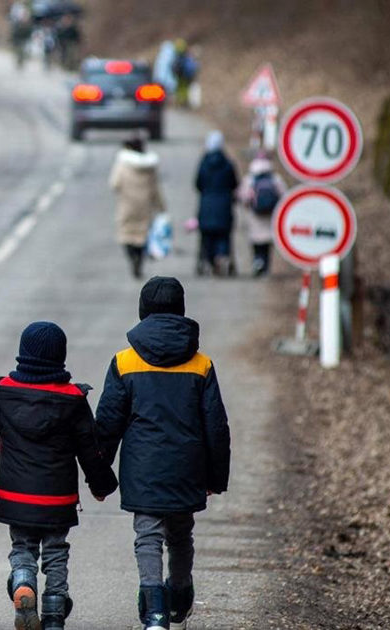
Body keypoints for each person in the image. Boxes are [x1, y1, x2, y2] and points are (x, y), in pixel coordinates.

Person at [94, 277, 231, 630]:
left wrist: (100, 475)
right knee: (181, 532)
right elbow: (216, 426)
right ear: (181, 311)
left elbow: (108, 422)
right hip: (188, 467)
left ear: (142, 311)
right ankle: (181, 595)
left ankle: (154, 609)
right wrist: (215, 477)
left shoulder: (124, 362)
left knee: (148, 535)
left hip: (144, 467)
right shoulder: (200, 364)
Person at [0, 322, 118, 630]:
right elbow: (89, 450)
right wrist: (101, 484)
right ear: (60, 357)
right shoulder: (73, 399)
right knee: (55, 552)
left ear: (22, 354)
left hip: (16, 496)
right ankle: (54, 613)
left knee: (23, 547)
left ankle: (24, 582)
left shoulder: (3, 393)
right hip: (58, 497)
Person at [110, 137, 165, 279]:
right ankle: (139, 261)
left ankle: (132, 257)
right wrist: (161, 207)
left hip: (127, 206)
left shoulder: (122, 165)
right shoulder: (150, 167)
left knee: (127, 235)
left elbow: (114, 184)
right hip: (145, 207)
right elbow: (155, 188)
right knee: (143, 235)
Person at [194, 131, 239, 276]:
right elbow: (234, 183)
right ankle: (222, 256)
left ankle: (209, 260)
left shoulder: (203, 163)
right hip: (224, 205)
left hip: (207, 205)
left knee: (207, 237)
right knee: (223, 235)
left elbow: (197, 184)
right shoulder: (228, 163)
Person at [237, 153, 286, 276]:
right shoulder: (275, 178)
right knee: (267, 243)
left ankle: (257, 261)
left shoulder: (250, 179)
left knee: (256, 242)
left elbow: (243, 197)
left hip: (255, 216)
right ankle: (266, 267)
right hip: (270, 216)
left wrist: (247, 204)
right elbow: (284, 196)